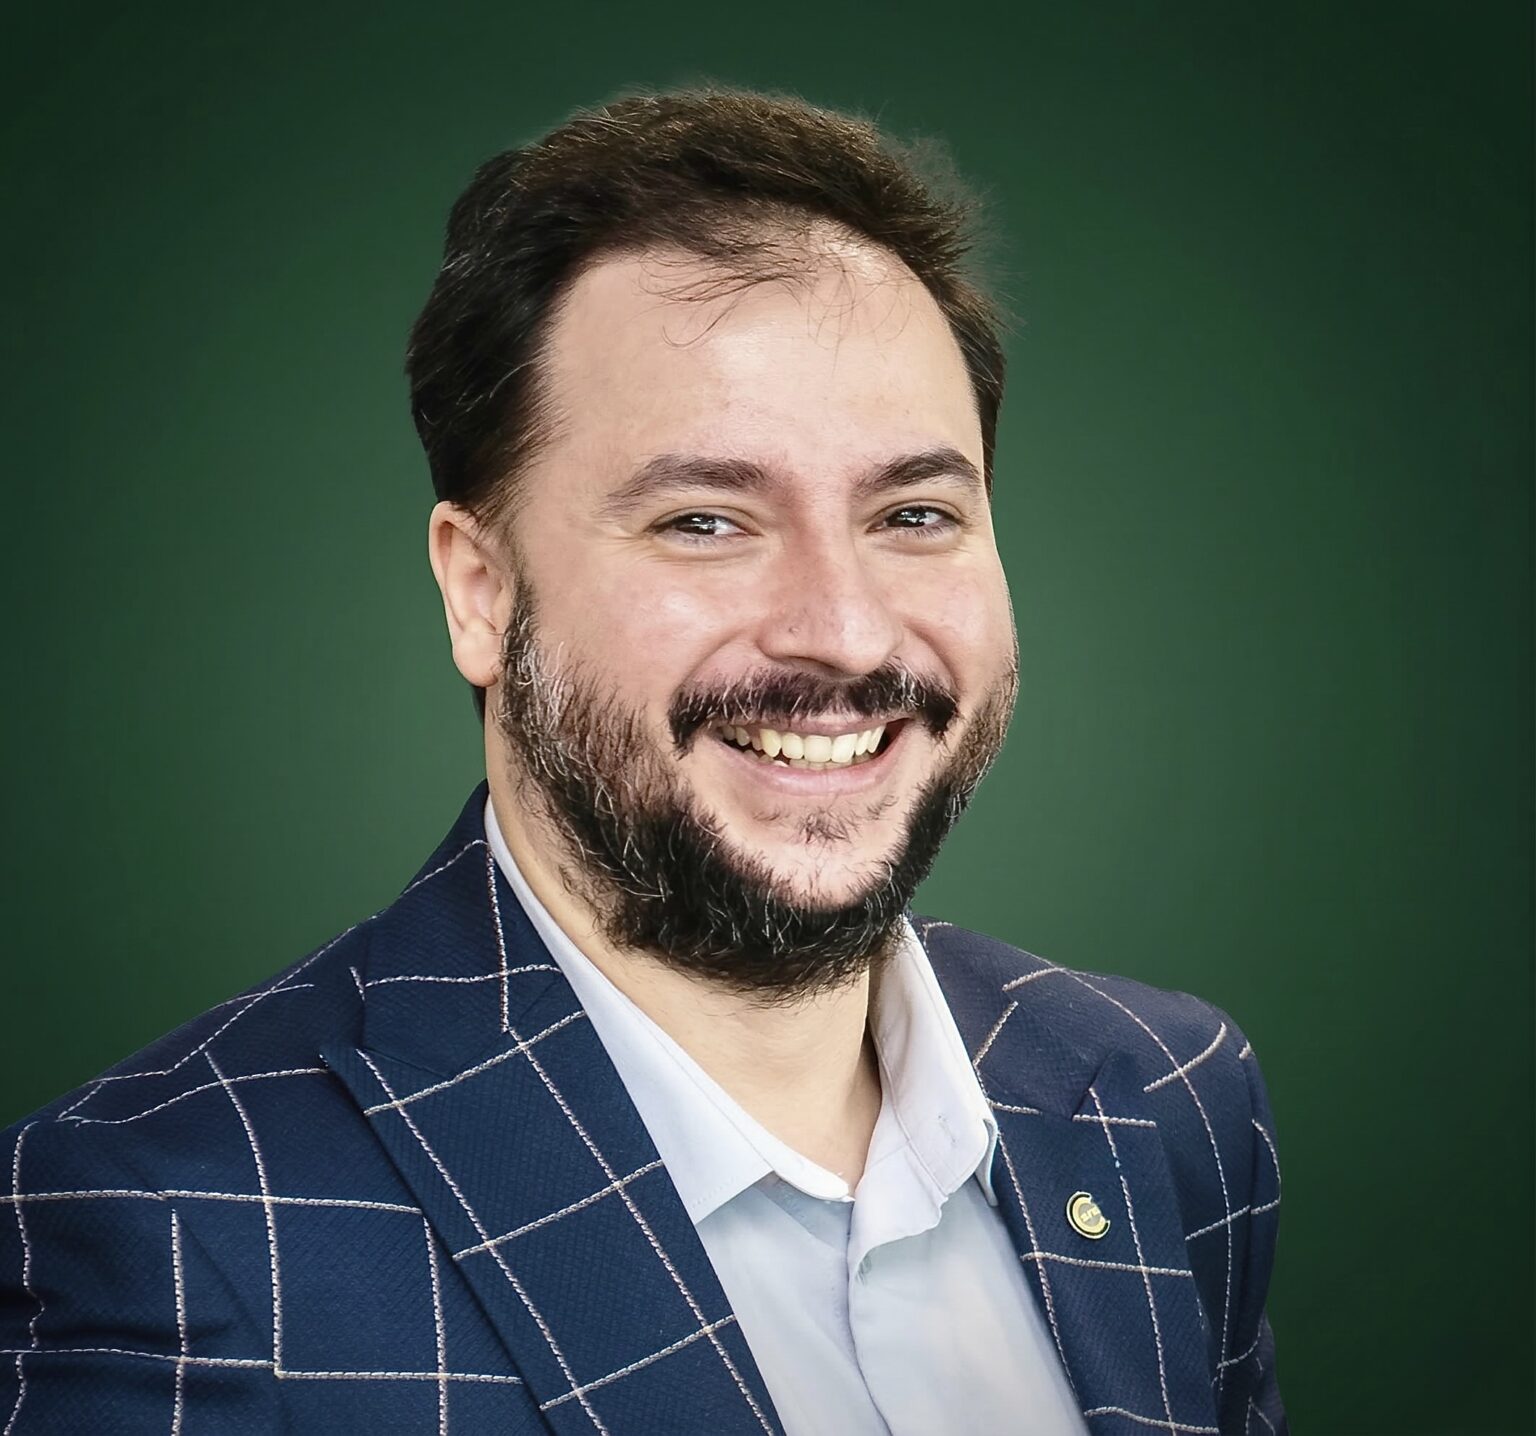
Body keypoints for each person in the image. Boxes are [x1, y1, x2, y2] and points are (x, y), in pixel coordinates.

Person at [0, 90, 1285, 1435]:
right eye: (705, 521)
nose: (845, 629)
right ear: (481, 590)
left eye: (914, 513)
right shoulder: (169, 1228)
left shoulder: (1168, 1100)